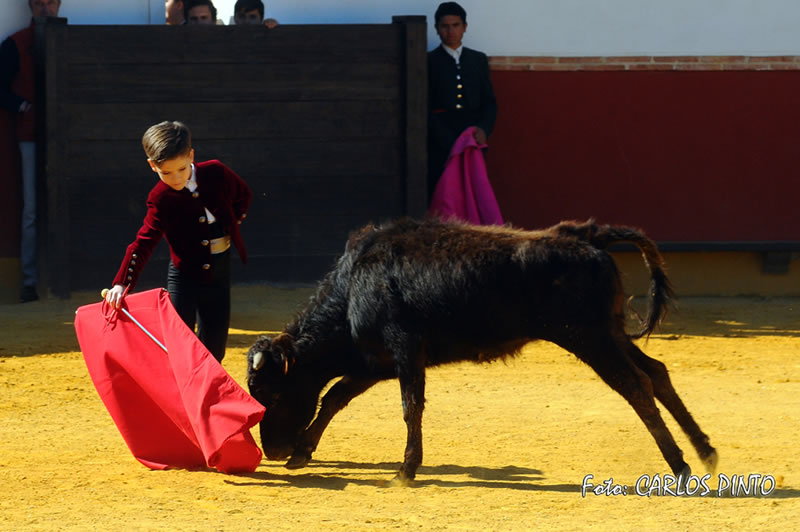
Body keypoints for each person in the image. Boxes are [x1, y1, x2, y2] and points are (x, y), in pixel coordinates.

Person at [104, 121, 252, 362]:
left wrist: (233, 221)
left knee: (215, 349)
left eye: (182, 169)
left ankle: (205, 398)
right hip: (185, 278)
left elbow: (243, 194)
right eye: (166, 173)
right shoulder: (160, 198)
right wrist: (121, 284)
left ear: (191, 156)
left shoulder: (216, 172)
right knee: (180, 346)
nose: (176, 178)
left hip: (220, 273)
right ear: (153, 166)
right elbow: (143, 242)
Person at [0, 0, 62, 302]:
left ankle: (50, 279)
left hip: (65, 139)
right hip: (30, 137)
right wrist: (21, 107)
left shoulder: (68, 40)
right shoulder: (15, 44)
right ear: (31, 7)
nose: (46, 9)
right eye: (40, 3)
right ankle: (29, 281)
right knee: (31, 211)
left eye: (51, 3)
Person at [427, 1, 497, 198]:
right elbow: (425, 107)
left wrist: (484, 129)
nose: (451, 31)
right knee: (444, 193)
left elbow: (489, 102)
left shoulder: (478, 59)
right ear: (437, 29)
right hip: (442, 138)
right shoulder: (428, 61)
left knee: (473, 192)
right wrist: (447, 140)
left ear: (464, 27)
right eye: (445, 26)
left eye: (456, 25)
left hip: (473, 137)